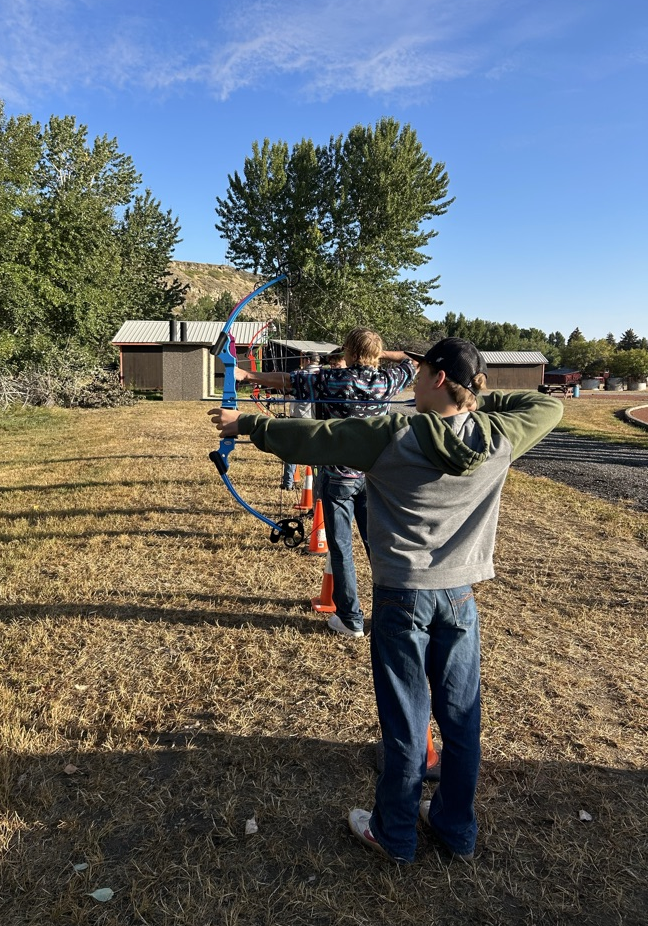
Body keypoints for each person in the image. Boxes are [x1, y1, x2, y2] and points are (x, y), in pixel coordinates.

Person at [209, 337, 562, 863]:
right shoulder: (501, 435)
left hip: (403, 599)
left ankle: (394, 833)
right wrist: (470, 400)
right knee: (461, 719)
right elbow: (546, 405)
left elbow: (316, 439)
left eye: (421, 372)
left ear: (438, 378)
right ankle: (456, 828)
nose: (412, 379)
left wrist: (246, 425)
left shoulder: (394, 433)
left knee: (405, 721)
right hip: (460, 599)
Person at [234, 327, 416, 638]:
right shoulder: (387, 381)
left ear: (350, 352)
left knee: (341, 549)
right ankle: (395, 615)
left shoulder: (333, 379)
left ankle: (350, 619)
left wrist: (247, 375)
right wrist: (378, 354)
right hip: (373, 478)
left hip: (338, 476)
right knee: (378, 548)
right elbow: (412, 361)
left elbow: (288, 380)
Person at [281, 351, 320, 490]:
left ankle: (288, 483)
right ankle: (318, 484)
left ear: (307, 360)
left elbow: (288, 392)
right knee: (316, 454)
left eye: (303, 360)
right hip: (316, 420)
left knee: (292, 451)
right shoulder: (324, 375)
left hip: (298, 419)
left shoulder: (299, 375)